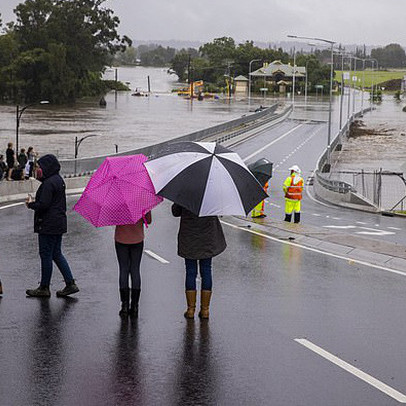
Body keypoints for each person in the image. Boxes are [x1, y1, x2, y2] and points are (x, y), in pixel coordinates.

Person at [25, 154, 79, 297]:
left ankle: (44, 287)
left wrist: (31, 204)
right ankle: (70, 283)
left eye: (38, 167)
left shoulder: (48, 183)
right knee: (56, 253)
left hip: (48, 224)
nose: (37, 170)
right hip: (58, 223)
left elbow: (43, 205)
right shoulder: (58, 180)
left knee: (46, 255)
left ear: (46, 167)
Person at [172, 203, 227, 319]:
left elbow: (175, 212)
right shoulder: (211, 194)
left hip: (189, 237)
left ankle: (190, 309)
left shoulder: (185, 192)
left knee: (190, 271)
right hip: (208, 237)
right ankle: (205, 310)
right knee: (206, 270)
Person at [114, 212, 151, 318]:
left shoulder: (117, 200)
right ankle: (135, 306)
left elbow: (113, 219)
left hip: (121, 238)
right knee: (135, 270)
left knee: (123, 269)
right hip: (137, 238)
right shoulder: (142, 199)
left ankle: (124, 306)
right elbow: (148, 220)